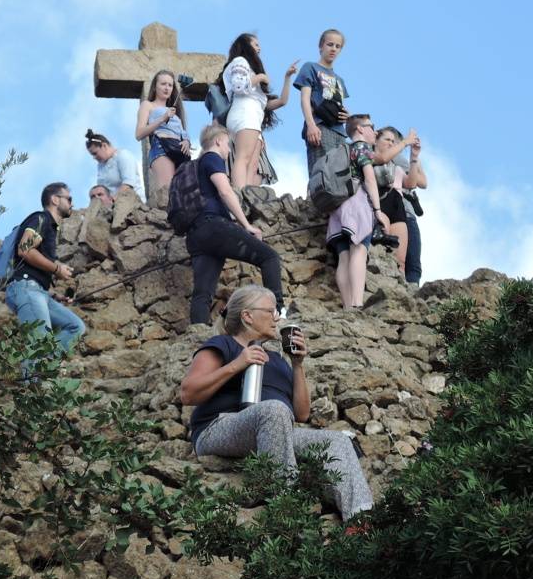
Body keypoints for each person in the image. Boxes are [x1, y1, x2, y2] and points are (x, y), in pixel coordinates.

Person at [180, 284, 373, 522]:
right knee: (274, 409)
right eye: (271, 311)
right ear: (247, 316)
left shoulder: (278, 360)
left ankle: (361, 523)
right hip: (217, 428)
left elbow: (301, 414)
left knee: (337, 441)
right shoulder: (223, 344)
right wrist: (237, 364)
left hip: (275, 429)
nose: (277, 318)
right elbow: (188, 394)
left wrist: (297, 364)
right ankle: (286, 508)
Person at [186, 124, 285, 324]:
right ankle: (278, 314)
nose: (229, 150)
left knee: (202, 293)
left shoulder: (193, 168)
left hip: (195, 235)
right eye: (227, 144)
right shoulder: (212, 158)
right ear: (218, 141)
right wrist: (246, 225)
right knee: (270, 257)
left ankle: (197, 335)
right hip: (214, 226)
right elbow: (225, 191)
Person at [5, 182, 85, 359]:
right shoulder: (41, 219)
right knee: (39, 345)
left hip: (37, 291)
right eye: (69, 198)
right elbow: (24, 249)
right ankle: (36, 372)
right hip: (26, 288)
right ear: (55, 199)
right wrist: (57, 268)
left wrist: (52, 295)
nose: (72, 203)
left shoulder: (49, 227)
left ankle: (45, 366)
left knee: (75, 327)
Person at [327, 114, 393, 309]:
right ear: (360, 129)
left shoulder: (343, 150)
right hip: (356, 204)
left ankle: (347, 306)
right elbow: (370, 179)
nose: (375, 131)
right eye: (372, 126)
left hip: (337, 207)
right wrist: (378, 210)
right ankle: (357, 304)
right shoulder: (362, 148)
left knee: (343, 256)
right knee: (359, 250)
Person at [221, 33, 297, 188]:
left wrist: (287, 77)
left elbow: (282, 101)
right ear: (245, 45)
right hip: (244, 113)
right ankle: (239, 194)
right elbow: (238, 86)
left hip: (252, 116)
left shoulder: (250, 70)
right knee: (243, 158)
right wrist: (260, 77)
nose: (259, 48)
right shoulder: (240, 61)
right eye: (255, 44)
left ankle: (247, 194)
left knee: (253, 164)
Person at [375, 126, 428, 286]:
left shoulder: (396, 164)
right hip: (386, 205)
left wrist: (414, 157)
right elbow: (423, 182)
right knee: (393, 255)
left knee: (403, 261)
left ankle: (402, 292)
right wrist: (405, 144)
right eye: (388, 140)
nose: (393, 144)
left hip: (400, 208)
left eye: (394, 141)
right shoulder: (379, 156)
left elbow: (413, 183)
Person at [294, 29, 350, 172]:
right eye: (330, 44)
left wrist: (347, 116)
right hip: (320, 127)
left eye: (338, 46)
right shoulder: (310, 67)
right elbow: (305, 99)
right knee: (321, 172)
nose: (334, 49)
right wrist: (311, 125)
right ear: (321, 46)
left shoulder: (340, 80)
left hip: (340, 132)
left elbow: (338, 104)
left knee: (340, 175)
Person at [135, 70, 191, 198]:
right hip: (161, 149)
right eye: (163, 84)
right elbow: (139, 134)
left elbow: (182, 131)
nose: (167, 88)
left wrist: (186, 141)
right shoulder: (148, 105)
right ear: (155, 87)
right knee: (168, 193)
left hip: (180, 151)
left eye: (170, 85)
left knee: (183, 195)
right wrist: (162, 118)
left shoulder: (174, 112)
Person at [86, 129, 141, 200]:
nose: (94, 157)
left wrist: (112, 201)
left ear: (104, 146)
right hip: (111, 204)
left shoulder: (123, 155)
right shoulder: (101, 166)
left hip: (130, 201)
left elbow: (129, 183)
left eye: (95, 153)